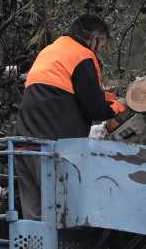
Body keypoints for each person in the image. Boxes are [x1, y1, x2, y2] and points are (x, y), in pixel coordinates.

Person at [13, 13, 126, 219]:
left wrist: (104, 96)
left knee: (35, 220)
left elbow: (66, 93)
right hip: (52, 150)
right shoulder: (82, 55)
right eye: (102, 46)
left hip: (23, 146)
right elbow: (96, 110)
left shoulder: (51, 51)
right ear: (93, 39)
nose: (101, 52)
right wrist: (119, 106)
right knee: (62, 217)